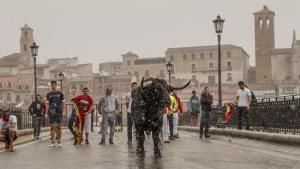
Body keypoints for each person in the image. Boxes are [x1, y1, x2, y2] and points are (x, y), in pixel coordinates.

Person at [46, 80, 65, 147]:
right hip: (51, 112)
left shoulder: (60, 93)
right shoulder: (48, 94)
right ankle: (53, 142)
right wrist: (46, 113)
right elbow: (47, 104)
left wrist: (63, 111)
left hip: (59, 112)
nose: (53, 86)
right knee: (52, 127)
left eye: (54, 85)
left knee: (59, 126)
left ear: (56, 85)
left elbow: (63, 103)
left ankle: (59, 141)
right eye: (52, 85)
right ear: (51, 85)